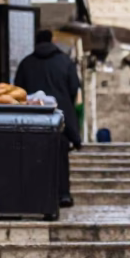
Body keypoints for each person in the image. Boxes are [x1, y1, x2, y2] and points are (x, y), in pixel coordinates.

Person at [14, 29, 82, 207]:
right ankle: (63, 195)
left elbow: (18, 93)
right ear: (52, 41)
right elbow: (74, 88)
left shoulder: (26, 64)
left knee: (33, 157)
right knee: (60, 156)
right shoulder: (65, 62)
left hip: (32, 120)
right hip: (59, 118)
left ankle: (35, 196)